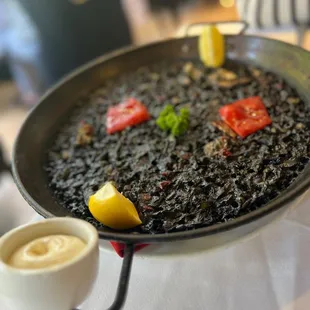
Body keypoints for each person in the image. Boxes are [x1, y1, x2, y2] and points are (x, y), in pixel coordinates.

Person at [0, 0, 47, 106]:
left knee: (34, 76)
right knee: (23, 72)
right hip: (18, 42)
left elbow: (3, 22)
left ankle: (35, 99)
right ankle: (30, 96)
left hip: (22, 41)